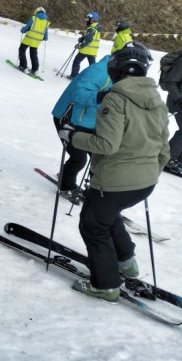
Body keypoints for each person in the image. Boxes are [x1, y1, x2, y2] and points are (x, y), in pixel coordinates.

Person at [57, 42, 169, 302]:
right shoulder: (156, 101)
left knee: (93, 224)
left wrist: (72, 137)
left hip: (116, 180)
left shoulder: (116, 98)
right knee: (107, 215)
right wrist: (150, 171)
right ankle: (126, 261)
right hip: (145, 180)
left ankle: (106, 285)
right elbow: (164, 148)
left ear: (116, 68)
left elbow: (106, 145)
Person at [51, 55, 112, 199]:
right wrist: (103, 96)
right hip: (68, 118)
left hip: (90, 121)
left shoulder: (121, 76)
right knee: (79, 158)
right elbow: (78, 94)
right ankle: (66, 186)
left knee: (99, 158)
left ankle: (96, 191)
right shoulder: (100, 71)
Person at [18, 6, 49, 75]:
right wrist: (44, 38)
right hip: (37, 41)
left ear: (36, 12)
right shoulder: (46, 22)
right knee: (33, 54)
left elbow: (26, 27)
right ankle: (35, 69)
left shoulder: (33, 18)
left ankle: (23, 66)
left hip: (28, 38)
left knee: (22, 50)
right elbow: (45, 35)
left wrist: (22, 30)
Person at [70, 11, 101, 78]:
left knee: (76, 62)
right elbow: (89, 37)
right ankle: (93, 78)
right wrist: (82, 38)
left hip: (86, 50)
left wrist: (80, 45)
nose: (86, 20)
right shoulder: (96, 28)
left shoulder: (91, 29)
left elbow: (88, 40)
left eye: (88, 19)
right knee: (92, 66)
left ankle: (73, 76)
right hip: (92, 51)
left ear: (92, 19)